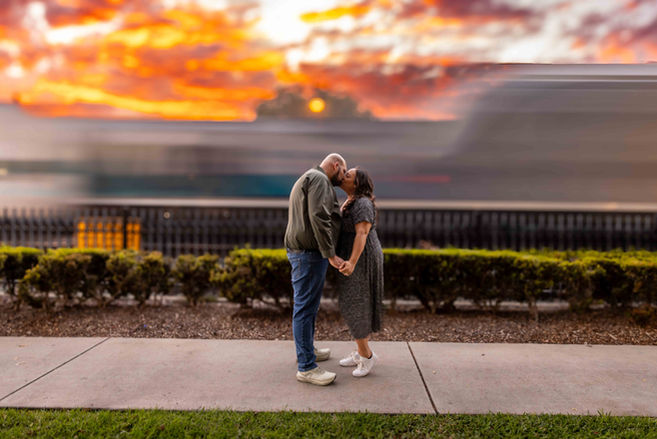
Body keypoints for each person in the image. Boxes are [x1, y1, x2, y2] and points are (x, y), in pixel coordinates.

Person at [284, 153, 347, 386]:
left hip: (304, 252)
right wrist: (330, 253)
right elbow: (319, 216)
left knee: (308, 307)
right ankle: (307, 367)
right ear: (336, 165)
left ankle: (307, 350)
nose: (341, 180)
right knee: (305, 308)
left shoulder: (308, 177)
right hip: (309, 254)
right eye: (342, 174)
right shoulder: (320, 180)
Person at [335, 168, 384, 377]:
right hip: (355, 256)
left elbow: (362, 233)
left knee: (356, 304)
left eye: (347, 176)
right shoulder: (351, 200)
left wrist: (352, 262)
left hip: (363, 258)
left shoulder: (362, 203)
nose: (342, 176)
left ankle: (367, 357)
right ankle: (360, 351)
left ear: (356, 184)